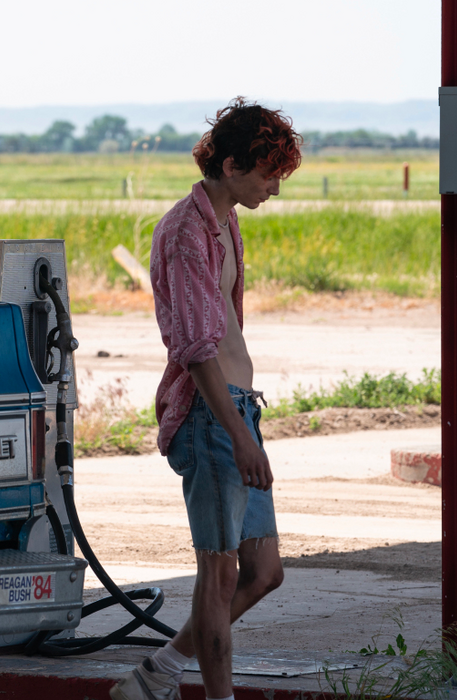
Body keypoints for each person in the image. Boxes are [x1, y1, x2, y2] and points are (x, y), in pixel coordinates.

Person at [112, 98, 303, 700]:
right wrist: (239, 434)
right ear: (229, 165)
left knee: (264, 572)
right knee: (219, 573)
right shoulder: (184, 233)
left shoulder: (225, 221)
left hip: (238, 407)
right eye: (267, 172)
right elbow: (196, 351)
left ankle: (160, 672)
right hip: (210, 414)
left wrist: (245, 422)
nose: (275, 186)